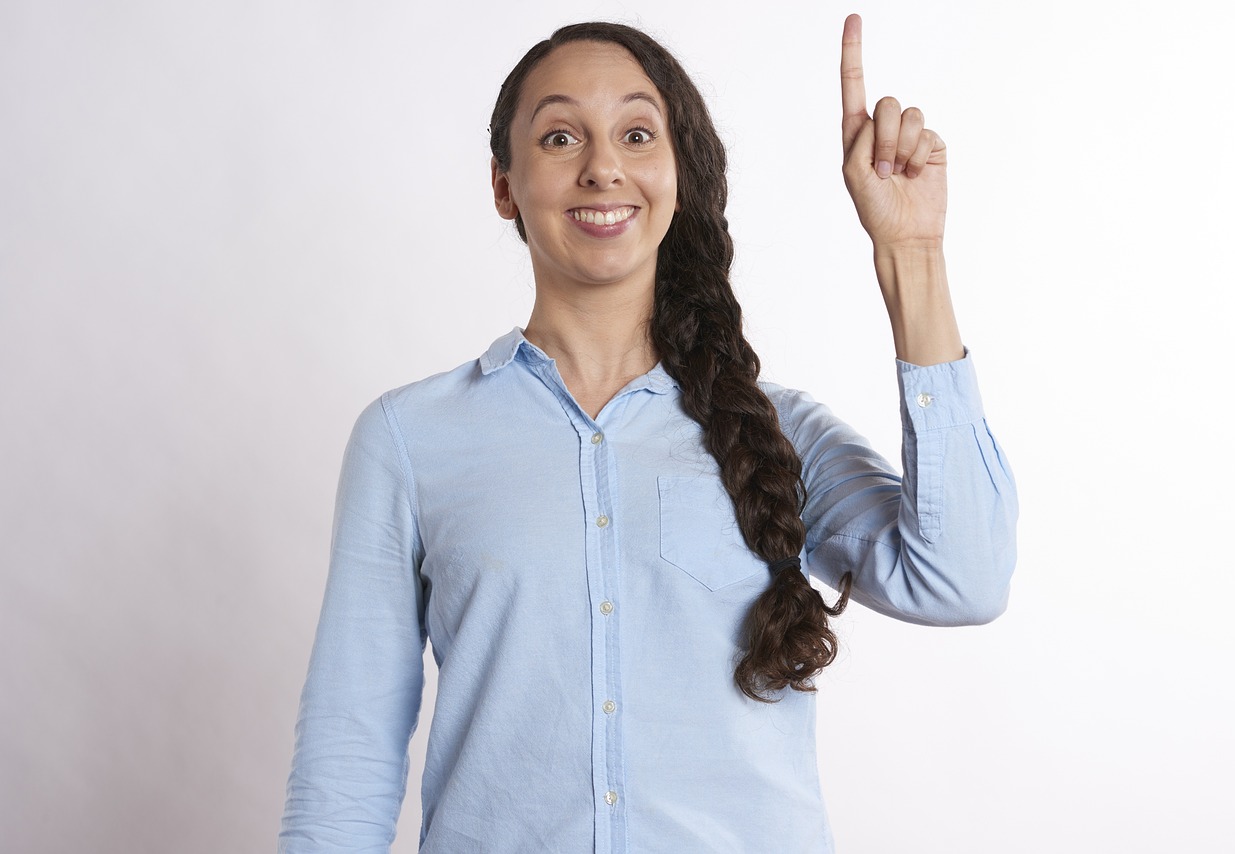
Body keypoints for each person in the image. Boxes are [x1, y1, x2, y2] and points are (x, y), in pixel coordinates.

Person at [279, 14, 1017, 853]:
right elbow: (347, 760)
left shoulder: (779, 432)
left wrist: (913, 255)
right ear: (504, 185)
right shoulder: (410, 440)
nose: (603, 168)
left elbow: (963, 580)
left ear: (679, 176)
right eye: (560, 137)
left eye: (636, 134)